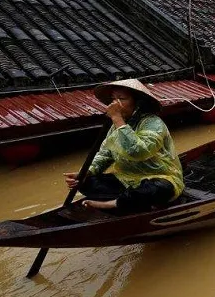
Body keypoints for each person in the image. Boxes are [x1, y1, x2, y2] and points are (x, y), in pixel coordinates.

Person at [64, 79, 184, 212]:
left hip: (158, 177)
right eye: (113, 98)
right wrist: (85, 173)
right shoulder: (115, 126)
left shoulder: (152, 123)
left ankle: (114, 203)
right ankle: (132, 200)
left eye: (122, 98)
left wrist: (117, 118)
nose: (115, 103)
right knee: (85, 183)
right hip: (126, 179)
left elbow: (138, 152)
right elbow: (105, 154)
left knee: (159, 189)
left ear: (137, 102)